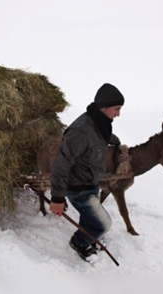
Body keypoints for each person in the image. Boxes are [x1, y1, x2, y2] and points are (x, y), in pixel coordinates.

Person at [49, 83, 124, 263]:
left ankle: (88, 237)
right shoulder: (81, 131)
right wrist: (58, 198)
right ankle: (79, 242)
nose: (118, 114)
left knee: (88, 218)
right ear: (103, 107)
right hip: (78, 188)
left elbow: (101, 137)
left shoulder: (101, 122)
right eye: (117, 109)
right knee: (103, 224)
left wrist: (116, 141)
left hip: (91, 183)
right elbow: (61, 164)